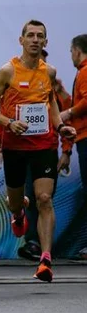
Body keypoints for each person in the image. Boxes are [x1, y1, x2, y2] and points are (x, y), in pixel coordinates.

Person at [0, 20, 76, 282]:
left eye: (40, 36)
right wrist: (8, 123)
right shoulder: (7, 71)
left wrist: (60, 127)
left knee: (45, 198)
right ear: (21, 40)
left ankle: (45, 259)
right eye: (31, 36)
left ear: (46, 42)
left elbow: (52, 105)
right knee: (16, 202)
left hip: (44, 145)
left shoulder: (49, 72)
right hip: (15, 146)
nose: (36, 40)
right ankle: (17, 213)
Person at [61, 34, 87, 259]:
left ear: (77, 50)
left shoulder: (86, 71)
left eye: (71, 50)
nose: (70, 55)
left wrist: (68, 112)